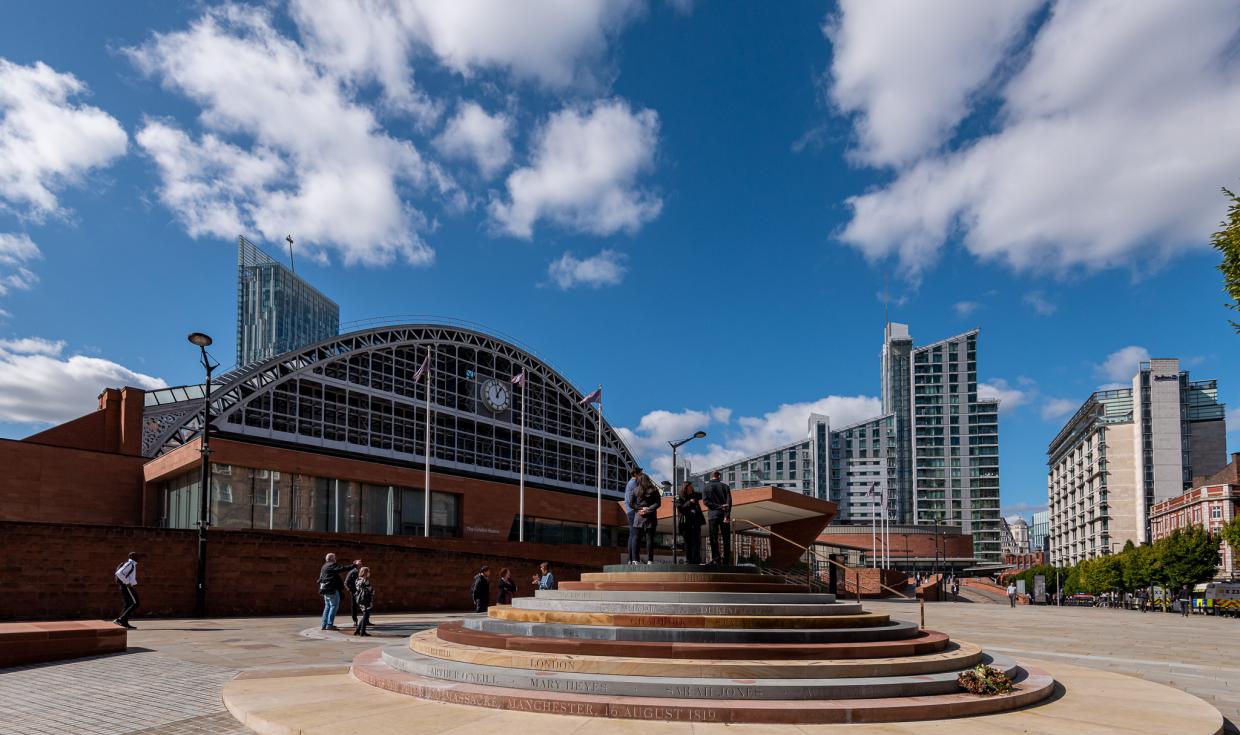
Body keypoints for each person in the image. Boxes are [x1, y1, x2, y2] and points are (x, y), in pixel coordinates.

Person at [318, 553, 359, 631]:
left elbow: (321, 577)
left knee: (327, 606)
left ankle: (324, 625)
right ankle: (329, 624)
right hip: (331, 589)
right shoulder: (331, 565)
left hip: (325, 589)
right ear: (331, 559)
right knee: (334, 606)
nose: (336, 559)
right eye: (335, 558)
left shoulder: (324, 566)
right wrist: (354, 565)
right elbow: (342, 568)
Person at [629, 475, 662, 564]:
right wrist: (648, 509)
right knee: (649, 539)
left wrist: (639, 509)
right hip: (650, 516)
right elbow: (658, 503)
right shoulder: (654, 490)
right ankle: (650, 560)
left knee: (636, 538)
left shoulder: (635, 490)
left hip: (638, 516)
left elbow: (631, 503)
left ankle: (635, 560)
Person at [702, 471, 733, 565]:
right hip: (724, 515)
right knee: (726, 538)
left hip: (712, 515)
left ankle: (716, 559)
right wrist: (727, 515)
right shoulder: (725, 486)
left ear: (711, 477)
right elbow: (729, 502)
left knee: (713, 538)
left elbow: (706, 502)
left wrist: (718, 506)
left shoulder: (706, 487)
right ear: (718, 476)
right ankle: (726, 560)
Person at [677, 482, 706, 565]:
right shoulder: (680, 497)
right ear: (685, 488)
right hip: (686, 523)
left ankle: (696, 560)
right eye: (690, 487)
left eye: (692, 487)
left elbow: (704, 494)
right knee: (688, 542)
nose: (692, 488)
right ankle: (688, 560)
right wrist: (689, 502)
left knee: (697, 542)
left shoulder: (695, 495)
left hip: (696, 522)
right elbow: (680, 509)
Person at [113, 552, 140, 629]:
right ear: (131, 557)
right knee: (135, 603)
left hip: (126, 586)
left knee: (128, 604)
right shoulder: (129, 564)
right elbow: (119, 573)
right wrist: (127, 582)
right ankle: (120, 620)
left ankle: (124, 622)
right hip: (126, 586)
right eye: (136, 556)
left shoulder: (132, 565)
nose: (138, 558)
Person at [352, 567, 374, 636]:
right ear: (366, 573)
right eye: (368, 572)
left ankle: (358, 630)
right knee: (366, 614)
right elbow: (370, 589)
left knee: (365, 614)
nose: (369, 573)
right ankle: (362, 631)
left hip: (359, 599)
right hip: (365, 599)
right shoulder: (365, 580)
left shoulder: (357, 579)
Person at [624, 467, 643, 541]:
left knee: (633, 534)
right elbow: (630, 501)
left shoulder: (631, 483)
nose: (641, 474)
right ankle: (633, 553)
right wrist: (639, 508)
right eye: (640, 473)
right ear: (635, 474)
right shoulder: (633, 483)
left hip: (631, 510)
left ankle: (631, 553)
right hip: (633, 511)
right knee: (635, 534)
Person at [344, 560, 363, 626]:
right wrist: (350, 590)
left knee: (366, 605)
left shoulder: (363, 572)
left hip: (362, 592)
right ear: (354, 564)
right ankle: (355, 621)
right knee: (354, 606)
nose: (360, 565)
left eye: (361, 564)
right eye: (358, 564)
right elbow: (346, 583)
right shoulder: (351, 572)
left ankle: (366, 620)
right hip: (354, 592)